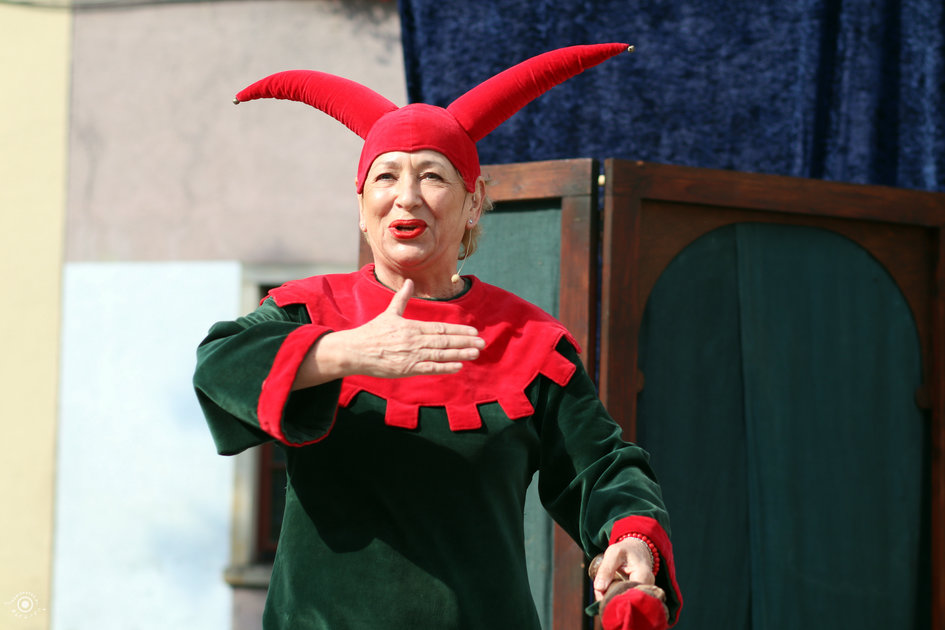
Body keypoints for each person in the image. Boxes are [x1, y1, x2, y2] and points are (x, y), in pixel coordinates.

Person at [193, 43, 682, 630]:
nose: (407, 195)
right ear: (362, 206)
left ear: (474, 203)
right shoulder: (309, 308)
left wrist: (631, 538)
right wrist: (348, 350)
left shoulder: (529, 340)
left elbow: (601, 466)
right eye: (386, 176)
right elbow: (218, 364)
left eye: (431, 175)